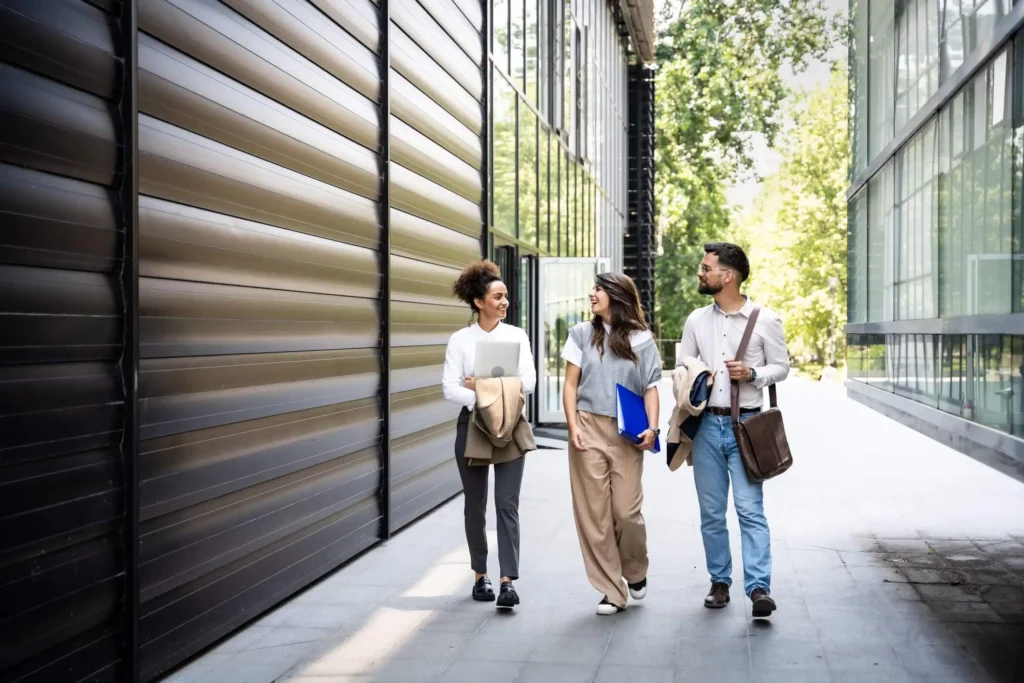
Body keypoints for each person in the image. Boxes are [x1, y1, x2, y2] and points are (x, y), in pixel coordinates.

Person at [678, 243, 790, 618]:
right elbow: (683, 365)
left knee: (749, 509)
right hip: (707, 425)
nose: (700, 272)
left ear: (727, 276)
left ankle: (759, 587)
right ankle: (719, 582)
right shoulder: (696, 320)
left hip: (747, 426)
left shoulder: (766, 320)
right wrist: (696, 375)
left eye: (706, 267)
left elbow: (782, 367)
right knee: (711, 512)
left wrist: (753, 374)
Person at [561, 272, 662, 615]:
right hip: (587, 426)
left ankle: (634, 571)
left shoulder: (641, 339)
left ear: (617, 296)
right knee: (595, 515)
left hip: (627, 433)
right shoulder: (580, 334)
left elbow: (650, 387)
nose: (592, 293)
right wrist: (572, 426)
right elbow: (571, 385)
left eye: (599, 289)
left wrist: (653, 427)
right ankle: (611, 590)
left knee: (626, 512)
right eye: (593, 288)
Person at [442, 260, 536, 608]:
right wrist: (490, 395)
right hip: (472, 428)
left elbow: (529, 381)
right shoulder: (460, 340)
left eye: (506, 296)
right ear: (479, 301)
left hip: (511, 425)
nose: (504, 302)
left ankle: (508, 581)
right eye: (497, 296)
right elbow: (450, 388)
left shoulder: (517, 336)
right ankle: (480, 576)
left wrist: (481, 386)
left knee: (506, 504)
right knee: (474, 505)